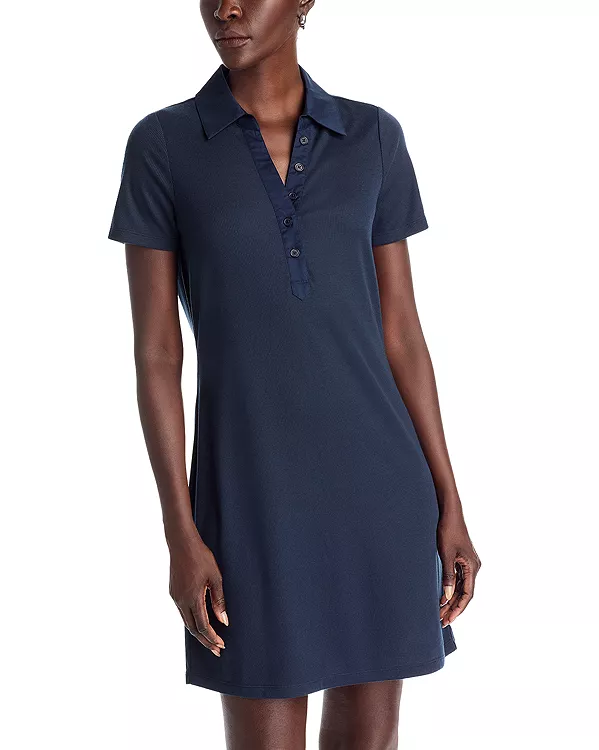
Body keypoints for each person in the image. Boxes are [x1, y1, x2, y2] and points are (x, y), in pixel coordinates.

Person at [108, 1, 482, 747]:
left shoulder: (373, 136)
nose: (227, 7)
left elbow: (402, 333)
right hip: (250, 500)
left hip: (381, 492)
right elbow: (157, 354)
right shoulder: (164, 145)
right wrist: (180, 531)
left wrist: (450, 501)